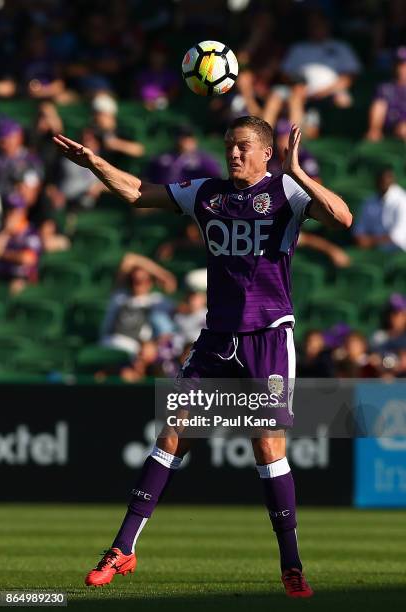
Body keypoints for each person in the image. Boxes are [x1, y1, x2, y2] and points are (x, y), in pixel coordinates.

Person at [54, 115, 352, 598]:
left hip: (269, 337)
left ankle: (292, 566)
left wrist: (298, 170)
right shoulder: (205, 193)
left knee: (267, 447)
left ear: (265, 154)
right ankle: (122, 548)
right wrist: (94, 163)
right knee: (172, 434)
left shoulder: (287, 192)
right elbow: (136, 192)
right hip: (216, 339)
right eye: (229, 146)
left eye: (242, 147)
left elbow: (342, 218)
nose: (233, 154)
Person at [263, 11, 360, 133]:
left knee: (342, 100)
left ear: (327, 25)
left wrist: (323, 92)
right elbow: (284, 73)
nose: (316, 27)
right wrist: (296, 84)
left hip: (331, 92)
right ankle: (264, 140)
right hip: (299, 91)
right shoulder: (298, 48)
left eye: (319, 24)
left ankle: (300, 143)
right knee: (276, 95)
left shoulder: (341, 47)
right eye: (313, 25)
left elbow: (349, 77)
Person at [100, 253, 177, 358]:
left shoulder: (157, 300)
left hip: (134, 349)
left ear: (150, 282)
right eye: (133, 280)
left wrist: (161, 275)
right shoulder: (119, 297)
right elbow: (129, 259)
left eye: (142, 280)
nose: (137, 284)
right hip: (108, 344)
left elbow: (170, 284)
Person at [0, 193, 42, 294]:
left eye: (14, 211)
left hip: (21, 279)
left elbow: (28, 258)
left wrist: (4, 254)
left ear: (23, 212)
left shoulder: (31, 233)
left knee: (16, 287)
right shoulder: (4, 233)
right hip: (1, 277)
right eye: (8, 211)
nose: (10, 215)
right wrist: (6, 232)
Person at [353, 167, 406, 251]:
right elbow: (359, 231)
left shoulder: (402, 200)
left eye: (387, 177)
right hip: (372, 250)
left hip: (398, 252)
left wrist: (369, 241)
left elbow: (397, 237)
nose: (383, 181)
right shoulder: (369, 201)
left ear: (393, 180)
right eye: (380, 179)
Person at [147, 126, 222, 184]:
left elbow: (215, 179)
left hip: (191, 199)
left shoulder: (205, 160)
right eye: (180, 136)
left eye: (187, 137)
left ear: (194, 139)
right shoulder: (163, 157)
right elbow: (149, 176)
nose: (183, 140)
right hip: (162, 197)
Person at [365, 46, 406, 142]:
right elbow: (379, 108)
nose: (403, 68)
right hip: (393, 131)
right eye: (401, 64)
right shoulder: (386, 88)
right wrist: (375, 129)